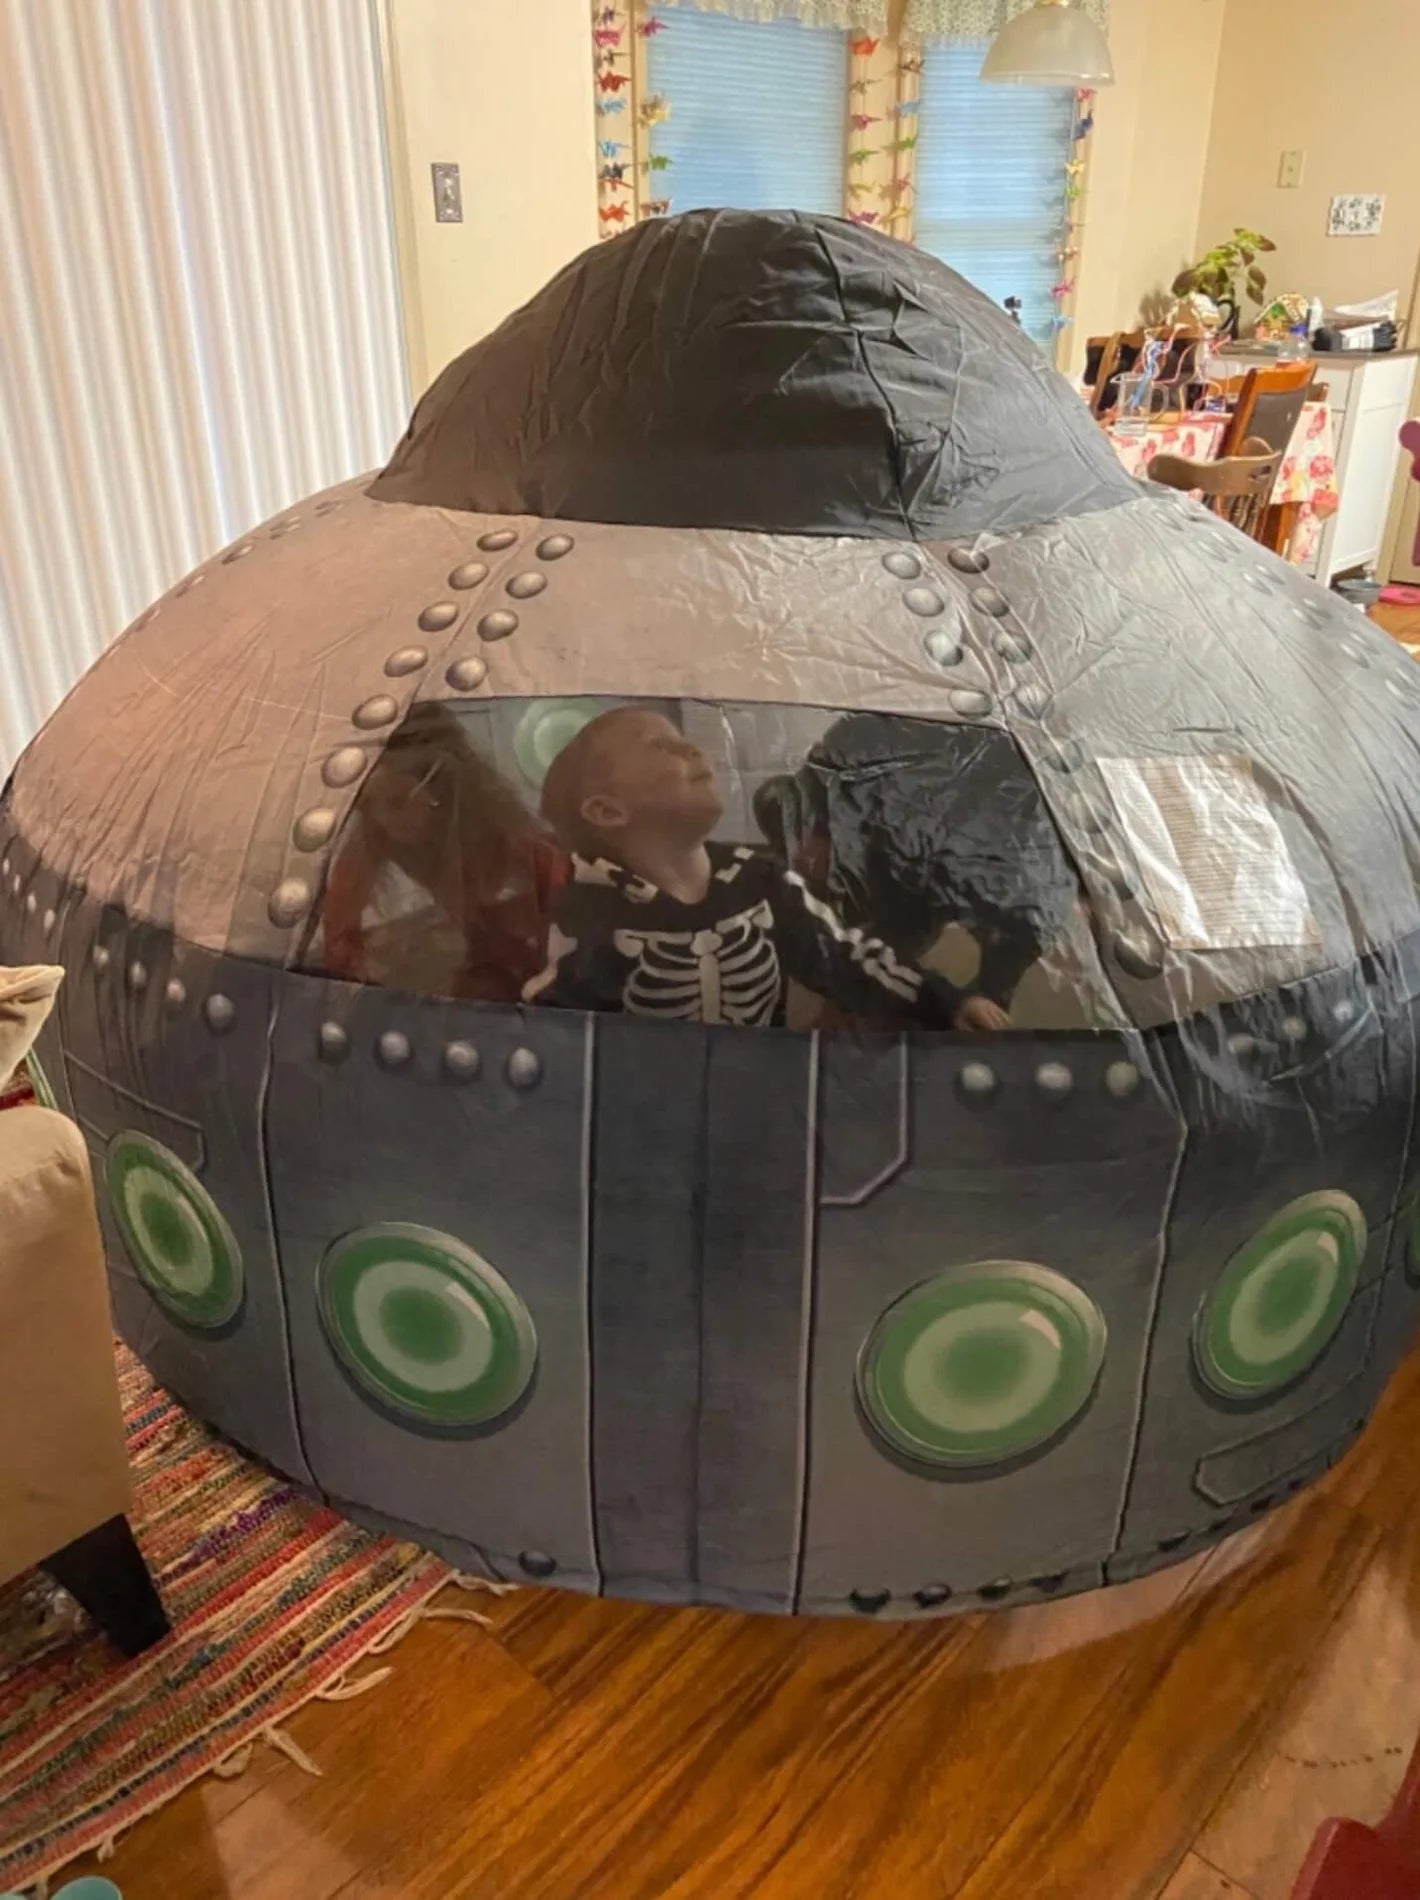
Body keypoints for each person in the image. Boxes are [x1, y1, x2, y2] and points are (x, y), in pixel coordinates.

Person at [524, 707, 1008, 1031]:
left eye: (682, 740)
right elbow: (554, 1023)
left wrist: (949, 1003)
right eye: (660, 746)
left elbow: (849, 958)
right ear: (607, 811)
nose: (693, 750)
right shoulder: (589, 911)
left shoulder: (760, 881)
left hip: (764, 1112)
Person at [320, 704, 567, 1001]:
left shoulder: (494, 821)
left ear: (442, 788)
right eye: (366, 805)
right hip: (479, 946)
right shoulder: (375, 830)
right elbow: (339, 919)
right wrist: (351, 971)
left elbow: (559, 884)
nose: (383, 818)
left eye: (397, 802)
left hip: (544, 936)